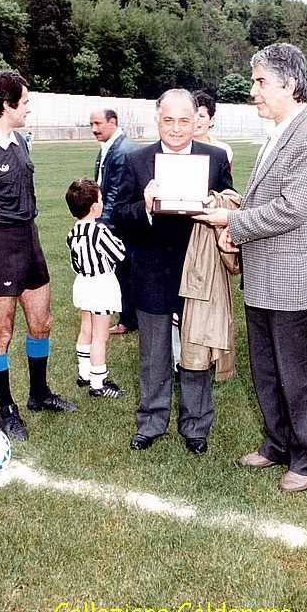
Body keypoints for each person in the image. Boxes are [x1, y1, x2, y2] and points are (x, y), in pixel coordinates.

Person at [197, 43, 307, 492]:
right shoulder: (279, 133)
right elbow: (266, 201)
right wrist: (236, 231)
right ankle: (277, 444)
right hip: (265, 277)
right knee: (267, 369)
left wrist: (231, 221)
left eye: (260, 82)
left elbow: (292, 209)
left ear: (290, 85)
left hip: (295, 281)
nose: (253, 91)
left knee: (299, 374)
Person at [111, 89, 233, 455]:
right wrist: (144, 206)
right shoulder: (136, 160)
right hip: (152, 269)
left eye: (184, 120)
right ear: (157, 119)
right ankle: (151, 421)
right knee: (153, 353)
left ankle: (196, 425)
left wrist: (216, 201)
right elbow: (119, 214)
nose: (177, 129)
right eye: (169, 120)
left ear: (198, 120)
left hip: (198, 271)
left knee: (195, 351)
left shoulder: (214, 157)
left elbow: (230, 200)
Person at [0, 70, 77, 442]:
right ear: (6, 105)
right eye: (25, 101)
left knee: (42, 322)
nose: (29, 108)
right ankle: (7, 409)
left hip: (29, 240)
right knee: (1, 331)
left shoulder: (19, 141)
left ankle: (39, 393)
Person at [65, 177, 126, 397]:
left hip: (83, 282)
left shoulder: (73, 233)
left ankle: (84, 373)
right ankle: (99, 382)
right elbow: (118, 254)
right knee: (100, 335)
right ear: (95, 206)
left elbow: (74, 263)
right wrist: (119, 241)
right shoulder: (99, 232)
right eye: (100, 199)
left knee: (86, 329)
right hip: (101, 283)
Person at [89, 108, 139, 336]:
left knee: (124, 272)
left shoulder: (123, 150)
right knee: (123, 272)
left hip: (121, 225)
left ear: (113, 122)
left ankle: (129, 319)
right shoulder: (111, 147)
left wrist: (102, 226)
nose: (94, 129)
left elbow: (115, 195)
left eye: (98, 123)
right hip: (116, 222)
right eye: (91, 124)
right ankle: (129, 317)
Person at [193, 91, 234, 166]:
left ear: (211, 120)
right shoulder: (177, 148)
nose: (196, 120)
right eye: (193, 115)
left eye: (201, 116)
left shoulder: (224, 149)